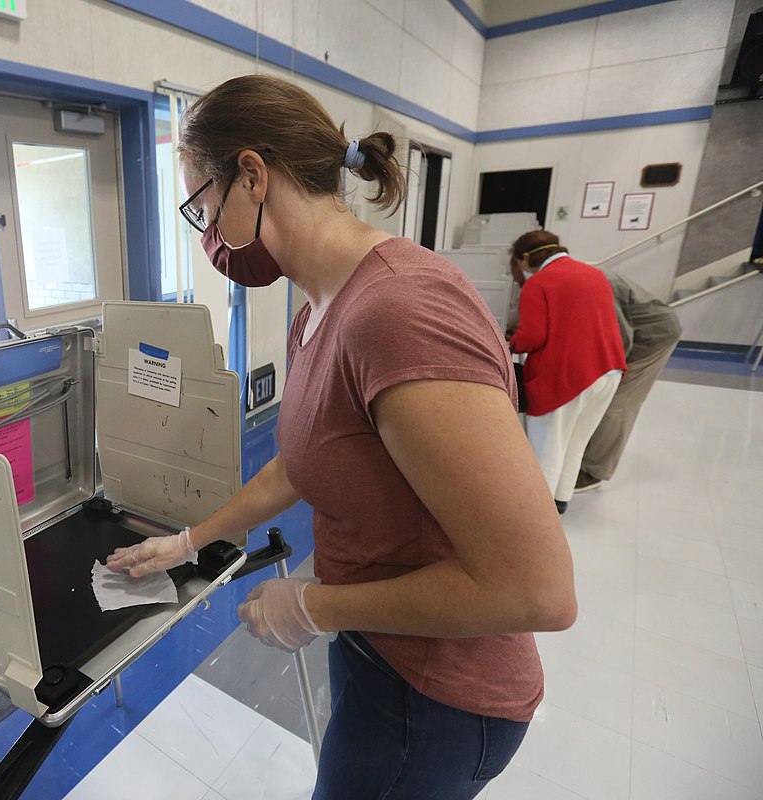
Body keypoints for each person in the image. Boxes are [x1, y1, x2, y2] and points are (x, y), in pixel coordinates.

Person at [105, 75, 576, 800]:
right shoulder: (317, 311)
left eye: (202, 207)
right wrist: (192, 540)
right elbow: (301, 464)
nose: (207, 238)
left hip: (439, 694)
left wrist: (317, 605)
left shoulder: (398, 311)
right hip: (378, 649)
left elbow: (536, 590)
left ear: (253, 177)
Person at [508, 231, 626, 514]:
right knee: (575, 442)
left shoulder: (539, 283)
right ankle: (560, 500)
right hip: (608, 371)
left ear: (525, 257)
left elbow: (533, 336)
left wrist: (508, 340)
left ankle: (538, 518)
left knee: (547, 446)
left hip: (567, 377)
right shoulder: (594, 274)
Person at [574, 273, 682, 491]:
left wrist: (611, 373)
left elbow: (621, 338)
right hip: (641, 332)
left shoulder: (597, 286)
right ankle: (589, 453)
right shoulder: (579, 276)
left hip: (653, 338)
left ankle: (594, 472)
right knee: (606, 397)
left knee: (619, 404)